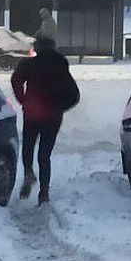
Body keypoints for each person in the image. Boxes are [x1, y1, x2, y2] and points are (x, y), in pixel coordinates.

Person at [10, 36, 79, 205]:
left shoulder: (29, 65)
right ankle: (44, 192)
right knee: (44, 154)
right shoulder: (61, 67)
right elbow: (74, 95)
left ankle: (28, 172)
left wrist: (23, 100)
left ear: (38, 48)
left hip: (33, 113)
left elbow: (15, 80)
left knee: (28, 147)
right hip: (53, 117)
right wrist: (60, 108)